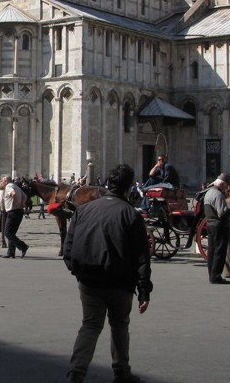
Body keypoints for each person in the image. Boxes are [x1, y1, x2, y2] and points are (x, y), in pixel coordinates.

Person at [64, 164, 151, 383]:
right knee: (120, 325)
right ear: (129, 188)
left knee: (90, 325)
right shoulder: (131, 215)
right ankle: (121, 373)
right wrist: (143, 289)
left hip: (89, 281)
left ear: (107, 184)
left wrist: (77, 271)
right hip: (120, 283)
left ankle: (76, 373)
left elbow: (68, 248)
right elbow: (142, 256)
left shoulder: (83, 210)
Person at [202, 174, 230, 284]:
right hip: (219, 225)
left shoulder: (208, 193)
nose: (226, 188)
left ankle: (211, 274)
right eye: (226, 185)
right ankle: (216, 275)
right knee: (220, 251)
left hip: (210, 224)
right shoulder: (219, 195)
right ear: (222, 184)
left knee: (212, 250)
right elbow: (222, 212)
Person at [0, 176, 29, 258]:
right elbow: (25, 196)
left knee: (7, 233)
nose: (1, 182)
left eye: (2, 181)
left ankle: (23, 246)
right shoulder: (17, 186)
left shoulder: (9, 186)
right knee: (12, 233)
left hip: (13, 211)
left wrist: (16, 203)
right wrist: (22, 204)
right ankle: (11, 252)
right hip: (19, 212)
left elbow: (13, 194)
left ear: (6, 181)